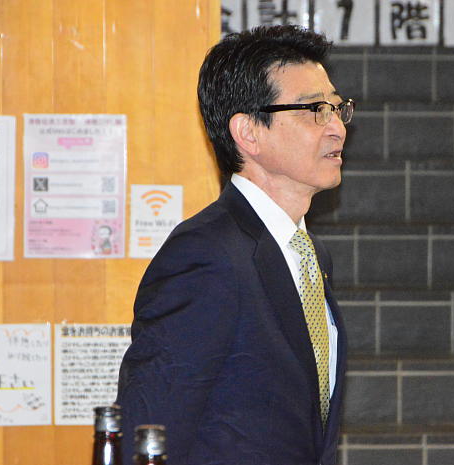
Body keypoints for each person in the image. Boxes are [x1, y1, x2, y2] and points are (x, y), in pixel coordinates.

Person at [116, 25, 354, 465]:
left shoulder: (310, 255)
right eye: (314, 110)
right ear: (248, 133)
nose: (337, 128)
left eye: (338, 108)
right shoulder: (204, 255)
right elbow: (148, 434)